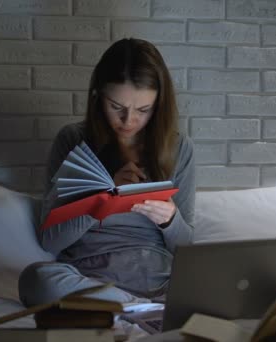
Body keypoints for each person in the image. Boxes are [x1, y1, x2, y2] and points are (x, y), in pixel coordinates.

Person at [18, 38, 196, 307]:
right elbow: (51, 242)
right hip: (90, 279)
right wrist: (101, 201)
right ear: (98, 96)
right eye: (117, 107)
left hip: (160, 280)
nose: (129, 121)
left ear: (159, 105)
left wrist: (171, 219)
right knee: (36, 279)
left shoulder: (179, 148)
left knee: (224, 277)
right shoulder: (73, 140)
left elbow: (187, 249)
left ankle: (131, 308)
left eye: (143, 110)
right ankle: (138, 308)